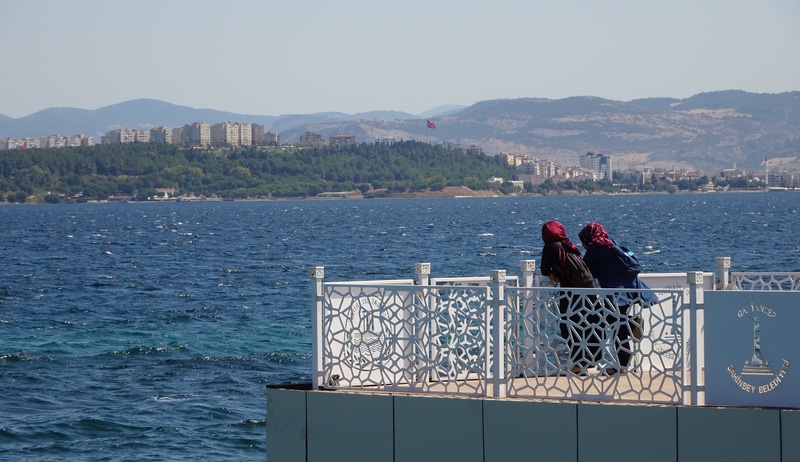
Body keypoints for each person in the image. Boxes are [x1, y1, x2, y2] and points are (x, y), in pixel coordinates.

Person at [579, 222, 652, 375]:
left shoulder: (595, 247)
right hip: (630, 287)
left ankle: (633, 323)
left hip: (615, 291)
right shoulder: (611, 242)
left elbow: (585, 269)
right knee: (618, 326)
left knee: (615, 323)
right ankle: (623, 366)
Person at [539, 220, 600, 375]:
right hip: (589, 287)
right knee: (589, 323)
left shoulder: (550, 247)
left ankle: (579, 363)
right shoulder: (568, 244)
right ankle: (592, 360)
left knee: (570, 325)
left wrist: (552, 272)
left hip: (572, 290)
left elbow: (544, 269)